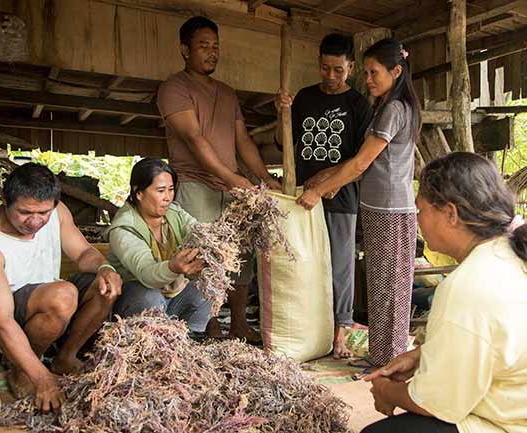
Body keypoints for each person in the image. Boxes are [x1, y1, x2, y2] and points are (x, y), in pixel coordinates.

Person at [361, 152, 527, 433]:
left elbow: (435, 402)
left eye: (422, 210)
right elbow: (503, 339)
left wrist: (385, 391)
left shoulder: (469, 285)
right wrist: (422, 356)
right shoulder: (520, 257)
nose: (418, 220)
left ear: (451, 214)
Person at [297, 38, 421, 366]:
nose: (367, 79)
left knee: (391, 289)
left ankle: (389, 360)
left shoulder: (394, 109)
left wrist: (319, 191)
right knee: (381, 286)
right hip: (380, 209)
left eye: (374, 72)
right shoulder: (387, 107)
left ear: (396, 71)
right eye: (365, 72)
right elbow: (358, 162)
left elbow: (361, 164)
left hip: (392, 211)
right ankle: (382, 355)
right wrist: (325, 176)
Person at [0, 163, 122, 412]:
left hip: (43, 296)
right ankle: (22, 368)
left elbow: (84, 253)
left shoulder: (57, 212)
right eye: (25, 212)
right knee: (63, 295)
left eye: (44, 213)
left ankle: (64, 358)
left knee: (105, 286)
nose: (35, 222)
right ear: (5, 200)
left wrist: (105, 268)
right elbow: (0, 321)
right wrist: (42, 379)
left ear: (55, 203)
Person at [157, 16, 280, 342]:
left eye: (215, 47)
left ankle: (238, 323)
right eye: (203, 46)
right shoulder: (174, 88)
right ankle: (207, 324)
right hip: (197, 185)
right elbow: (195, 140)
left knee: (240, 259)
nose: (211, 53)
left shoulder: (227, 93)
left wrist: (265, 178)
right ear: (185, 50)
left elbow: (242, 141)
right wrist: (232, 178)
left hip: (231, 188)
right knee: (203, 257)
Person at [275, 33, 372, 358]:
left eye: (338, 70)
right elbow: (283, 141)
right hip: (301, 196)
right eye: (325, 69)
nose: (331, 77)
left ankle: (339, 333)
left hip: (340, 197)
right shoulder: (302, 98)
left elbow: (361, 159)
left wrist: (328, 181)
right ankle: (307, 330)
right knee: (303, 263)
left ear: (351, 67)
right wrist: (282, 113)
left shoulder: (358, 104)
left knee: (340, 265)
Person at [107, 158, 213, 336]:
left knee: (208, 289)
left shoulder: (175, 213)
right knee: (150, 297)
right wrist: (173, 267)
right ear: (138, 193)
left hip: (171, 297)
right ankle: (148, 343)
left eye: (171, 190)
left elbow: (199, 232)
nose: (167, 197)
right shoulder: (123, 228)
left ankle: (189, 342)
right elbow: (146, 273)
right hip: (136, 300)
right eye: (161, 191)